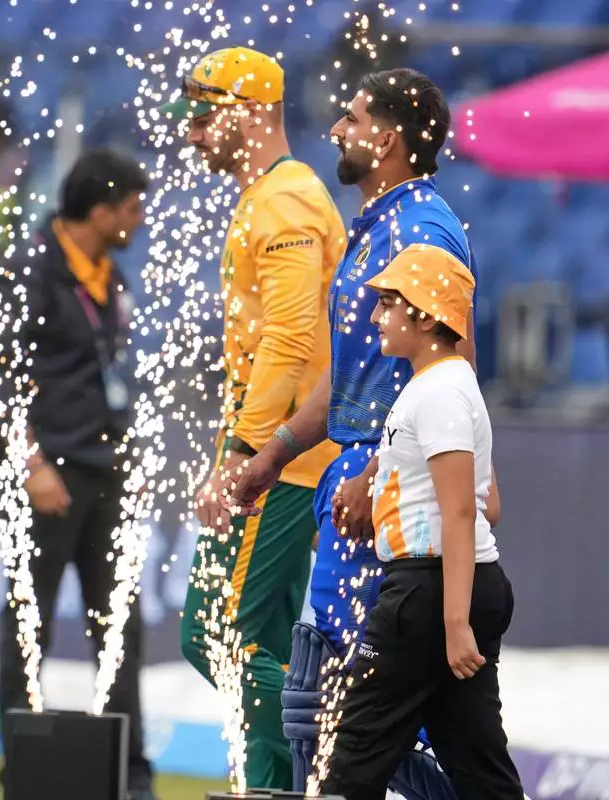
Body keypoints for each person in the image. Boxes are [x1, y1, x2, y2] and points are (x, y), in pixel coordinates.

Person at [227, 69, 481, 797]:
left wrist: (387, 475)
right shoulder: (376, 229)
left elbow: (452, 372)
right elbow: (348, 375)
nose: (336, 128)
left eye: (352, 116)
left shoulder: (423, 232)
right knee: (326, 703)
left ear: (390, 138)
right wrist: (275, 455)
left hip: (394, 490)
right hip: (357, 474)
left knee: (347, 707)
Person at [159, 46, 346, 791]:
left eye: (204, 117)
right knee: (266, 638)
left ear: (252, 112)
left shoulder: (287, 201)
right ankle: (270, 787)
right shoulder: (271, 196)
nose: (193, 134)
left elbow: (292, 336)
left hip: (279, 464)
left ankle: (350, 753)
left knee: (213, 634)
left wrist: (241, 455)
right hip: (286, 459)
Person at [0, 148, 156, 800]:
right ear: (101, 210)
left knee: (120, 630)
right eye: (133, 207)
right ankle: (20, 774)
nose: (140, 219)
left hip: (107, 472)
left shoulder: (114, 278)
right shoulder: (26, 273)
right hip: (47, 475)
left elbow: (111, 379)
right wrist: (30, 464)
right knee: (30, 626)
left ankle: (130, 779)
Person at [317, 244, 523, 800]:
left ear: (427, 315)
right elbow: (487, 504)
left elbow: (462, 511)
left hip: (429, 593)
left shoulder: (438, 393)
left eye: (388, 303)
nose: (376, 317)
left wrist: (454, 623)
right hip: (454, 587)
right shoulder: (449, 387)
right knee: (479, 768)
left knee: (353, 758)